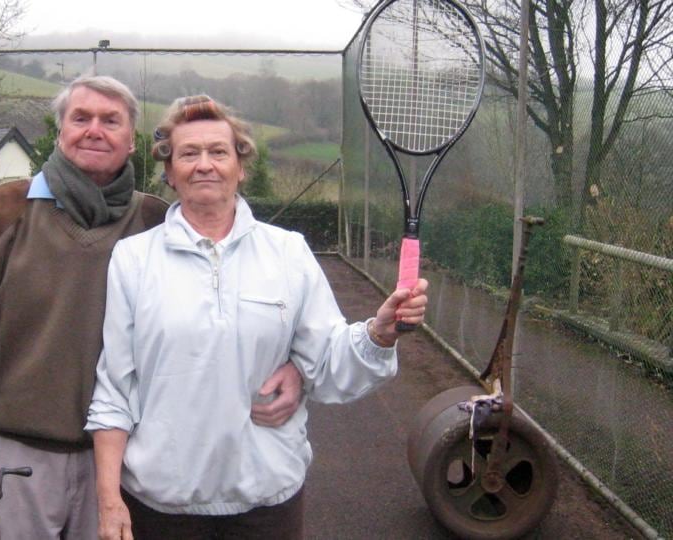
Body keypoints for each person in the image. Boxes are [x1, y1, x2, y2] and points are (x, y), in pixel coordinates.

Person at [0, 77, 305, 539]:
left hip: (123, 462)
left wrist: (295, 366)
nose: (95, 130)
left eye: (111, 121)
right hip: (17, 455)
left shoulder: (158, 222)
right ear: (60, 130)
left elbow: (234, 310)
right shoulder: (2, 210)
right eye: (81, 118)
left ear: (131, 140)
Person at [86, 95, 429, 540]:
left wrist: (379, 334)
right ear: (170, 173)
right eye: (189, 153)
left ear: (241, 167)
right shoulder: (133, 259)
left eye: (219, 151)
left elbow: (326, 362)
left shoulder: (288, 252)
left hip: (267, 507)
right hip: (160, 508)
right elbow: (115, 387)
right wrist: (110, 499)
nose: (204, 164)